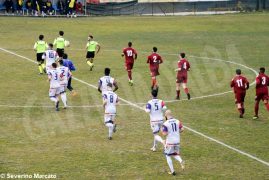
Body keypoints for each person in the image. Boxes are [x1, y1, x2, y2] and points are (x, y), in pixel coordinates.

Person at [162, 110, 185, 176]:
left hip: (170, 142)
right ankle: (181, 161)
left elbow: (164, 134)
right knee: (175, 154)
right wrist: (177, 132)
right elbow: (182, 129)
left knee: (167, 155)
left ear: (166, 115)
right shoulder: (177, 121)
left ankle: (173, 171)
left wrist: (162, 130)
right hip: (177, 141)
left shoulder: (166, 123)